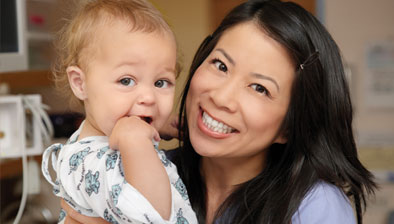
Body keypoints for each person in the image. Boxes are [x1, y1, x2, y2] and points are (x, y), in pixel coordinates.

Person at [61, 0, 377, 223]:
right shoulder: (147, 168)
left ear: (289, 128)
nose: (222, 97)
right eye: (221, 65)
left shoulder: (313, 207)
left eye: (260, 88)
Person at [41, 0, 197, 223]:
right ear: (80, 84)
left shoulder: (97, 136)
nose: (149, 98)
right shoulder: (92, 163)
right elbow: (154, 215)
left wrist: (156, 125)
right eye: (126, 80)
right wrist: (135, 141)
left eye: (161, 82)